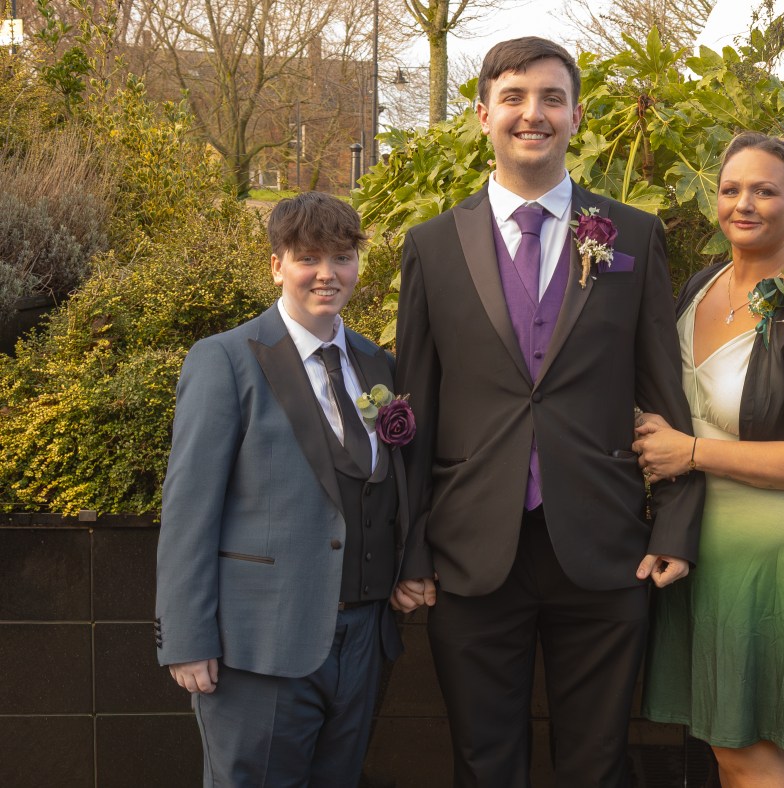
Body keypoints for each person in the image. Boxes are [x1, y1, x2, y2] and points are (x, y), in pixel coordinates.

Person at [393, 36, 705, 787]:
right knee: (483, 764)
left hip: (604, 546)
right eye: (513, 97)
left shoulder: (633, 235)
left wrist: (675, 524)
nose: (532, 113)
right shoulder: (431, 247)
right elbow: (414, 408)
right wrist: (410, 547)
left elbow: (665, 394)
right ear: (483, 115)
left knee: (598, 766)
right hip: (470, 553)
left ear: (576, 116)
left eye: (551, 98)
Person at [634, 131, 784, 787]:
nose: (743, 204)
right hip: (704, 534)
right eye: (731, 189)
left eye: (764, 191)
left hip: (774, 549)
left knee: (743, 747)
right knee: (726, 743)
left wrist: (689, 452)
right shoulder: (701, 286)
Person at [155, 192, 408, 786]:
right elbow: (189, 509)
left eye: (342, 257)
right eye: (308, 258)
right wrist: (186, 638)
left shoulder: (377, 364)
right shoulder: (224, 360)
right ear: (277, 266)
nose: (327, 273)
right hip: (258, 647)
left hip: (363, 641)